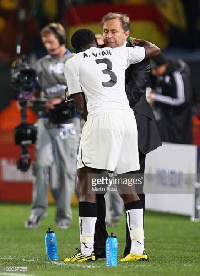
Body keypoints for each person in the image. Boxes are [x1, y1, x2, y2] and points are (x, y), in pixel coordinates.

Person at [64, 28, 160, 263]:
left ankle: (87, 251)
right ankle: (137, 249)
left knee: (87, 186)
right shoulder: (118, 52)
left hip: (100, 118)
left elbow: (78, 103)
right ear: (94, 42)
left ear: (75, 46)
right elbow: (153, 50)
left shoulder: (73, 62)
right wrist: (132, 39)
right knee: (128, 187)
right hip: (127, 121)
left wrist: (91, 119)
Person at [94, 12, 162, 259]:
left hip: (134, 126)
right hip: (103, 128)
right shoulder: (96, 56)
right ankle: (96, 247)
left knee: (133, 189)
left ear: (126, 34)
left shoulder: (138, 57)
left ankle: (134, 247)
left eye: (114, 31)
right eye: (105, 31)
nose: (109, 36)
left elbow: (133, 93)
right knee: (95, 187)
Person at [25, 22, 81, 229]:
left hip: (69, 120)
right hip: (45, 120)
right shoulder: (41, 64)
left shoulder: (74, 60)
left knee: (67, 169)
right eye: (44, 42)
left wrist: (60, 100)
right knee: (41, 165)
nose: (47, 45)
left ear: (60, 37)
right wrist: (31, 99)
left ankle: (63, 217)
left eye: (50, 40)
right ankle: (37, 212)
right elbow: (34, 91)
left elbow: (82, 89)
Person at [147, 53, 193, 144]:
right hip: (166, 122)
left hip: (178, 124)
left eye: (155, 69)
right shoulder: (161, 76)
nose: (153, 72)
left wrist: (155, 97)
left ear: (162, 65)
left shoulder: (177, 75)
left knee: (178, 151)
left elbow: (181, 100)